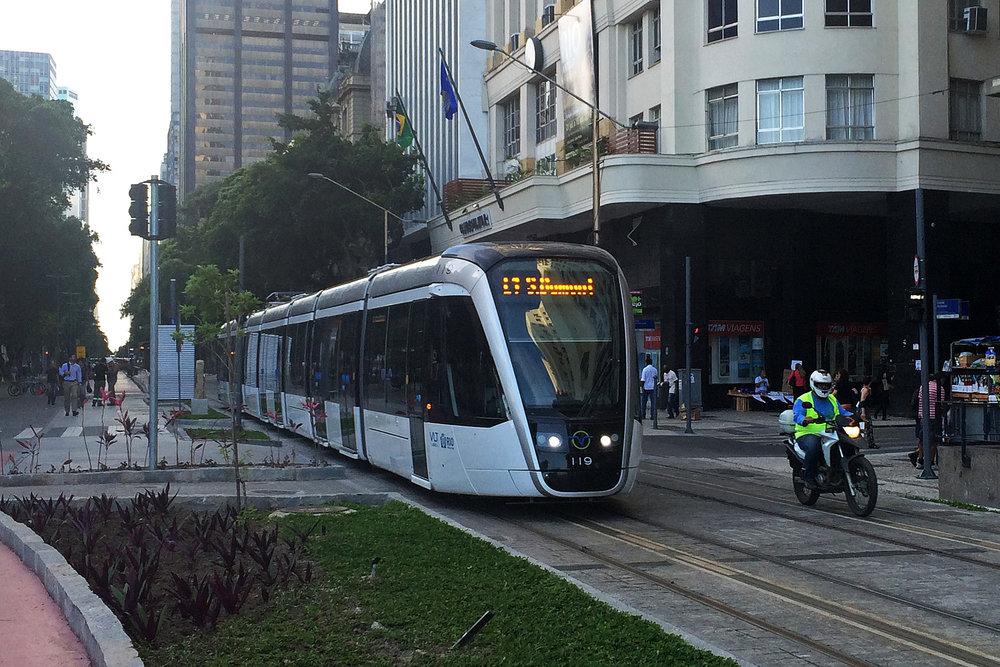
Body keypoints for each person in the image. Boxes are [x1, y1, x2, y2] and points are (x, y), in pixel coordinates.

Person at [792, 369, 848, 489]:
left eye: (826, 385)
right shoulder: (804, 399)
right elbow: (797, 415)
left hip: (831, 431)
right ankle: (808, 477)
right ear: (813, 384)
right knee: (814, 447)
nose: (823, 388)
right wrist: (804, 419)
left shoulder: (832, 399)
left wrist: (855, 416)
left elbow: (843, 412)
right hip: (808, 432)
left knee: (847, 443)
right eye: (820, 385)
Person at [909, 374, 941, 468]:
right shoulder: (939, 388)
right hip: (934, 416)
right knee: (933, 439)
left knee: (923, 438)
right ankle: (930, 460)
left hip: (923, 415)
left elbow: (920, 401)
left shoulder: (923, 387)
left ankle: (920, 458)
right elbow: (940, 404)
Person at [857, 376, 879, 449]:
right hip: (864, 409)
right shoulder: (866, 390)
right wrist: (863, 413)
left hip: (861, 409)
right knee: (869, 426)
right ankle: (871, 443)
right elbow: (862, 401)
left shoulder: (863, 389)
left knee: (860, 426)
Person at [640, 355, 657, 420]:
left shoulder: (645, 369)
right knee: (653, 402)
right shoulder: (655, 369)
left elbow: (643, 379)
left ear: (646, 363)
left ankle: (643, 415)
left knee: (644, 402)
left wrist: (642, 388)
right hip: (653, 387)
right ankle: (653, 415)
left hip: (646, 387)